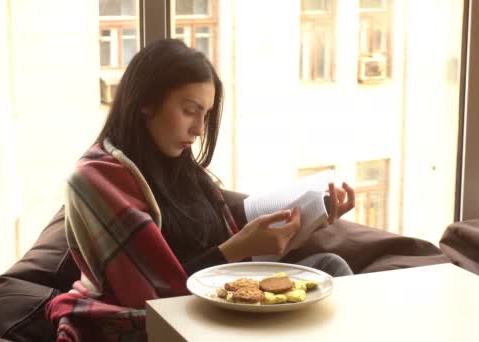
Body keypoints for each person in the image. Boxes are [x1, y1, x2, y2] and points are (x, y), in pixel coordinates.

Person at [46, 39, 355, 342]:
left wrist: (311, 218)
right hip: (166, 310)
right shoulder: (95, 179)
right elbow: (155, 292)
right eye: (190, 110)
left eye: (205, 114)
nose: (198, 129)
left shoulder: (182, 167)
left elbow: (224, 244)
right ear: (146, 102)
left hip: (217, 295)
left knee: (331, 267)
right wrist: (238, 247)